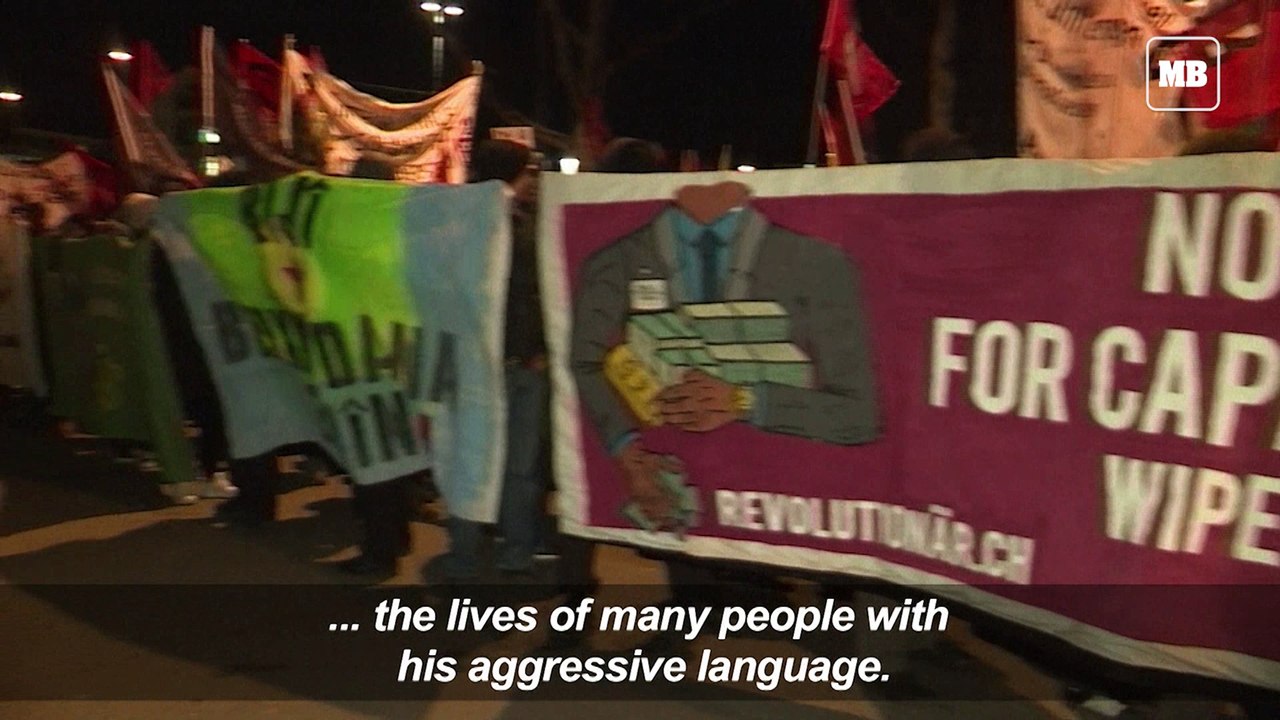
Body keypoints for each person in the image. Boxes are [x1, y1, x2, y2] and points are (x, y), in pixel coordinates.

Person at [434, 139, 552, 581]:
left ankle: (470, 553)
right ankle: (511, 551)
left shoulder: (450, 223)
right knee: (514, 466)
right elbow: (540, 294)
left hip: (487, 363)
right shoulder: (520, 226)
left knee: (471, 457)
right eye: (527, 173)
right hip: (509, 363)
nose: (532, 182)